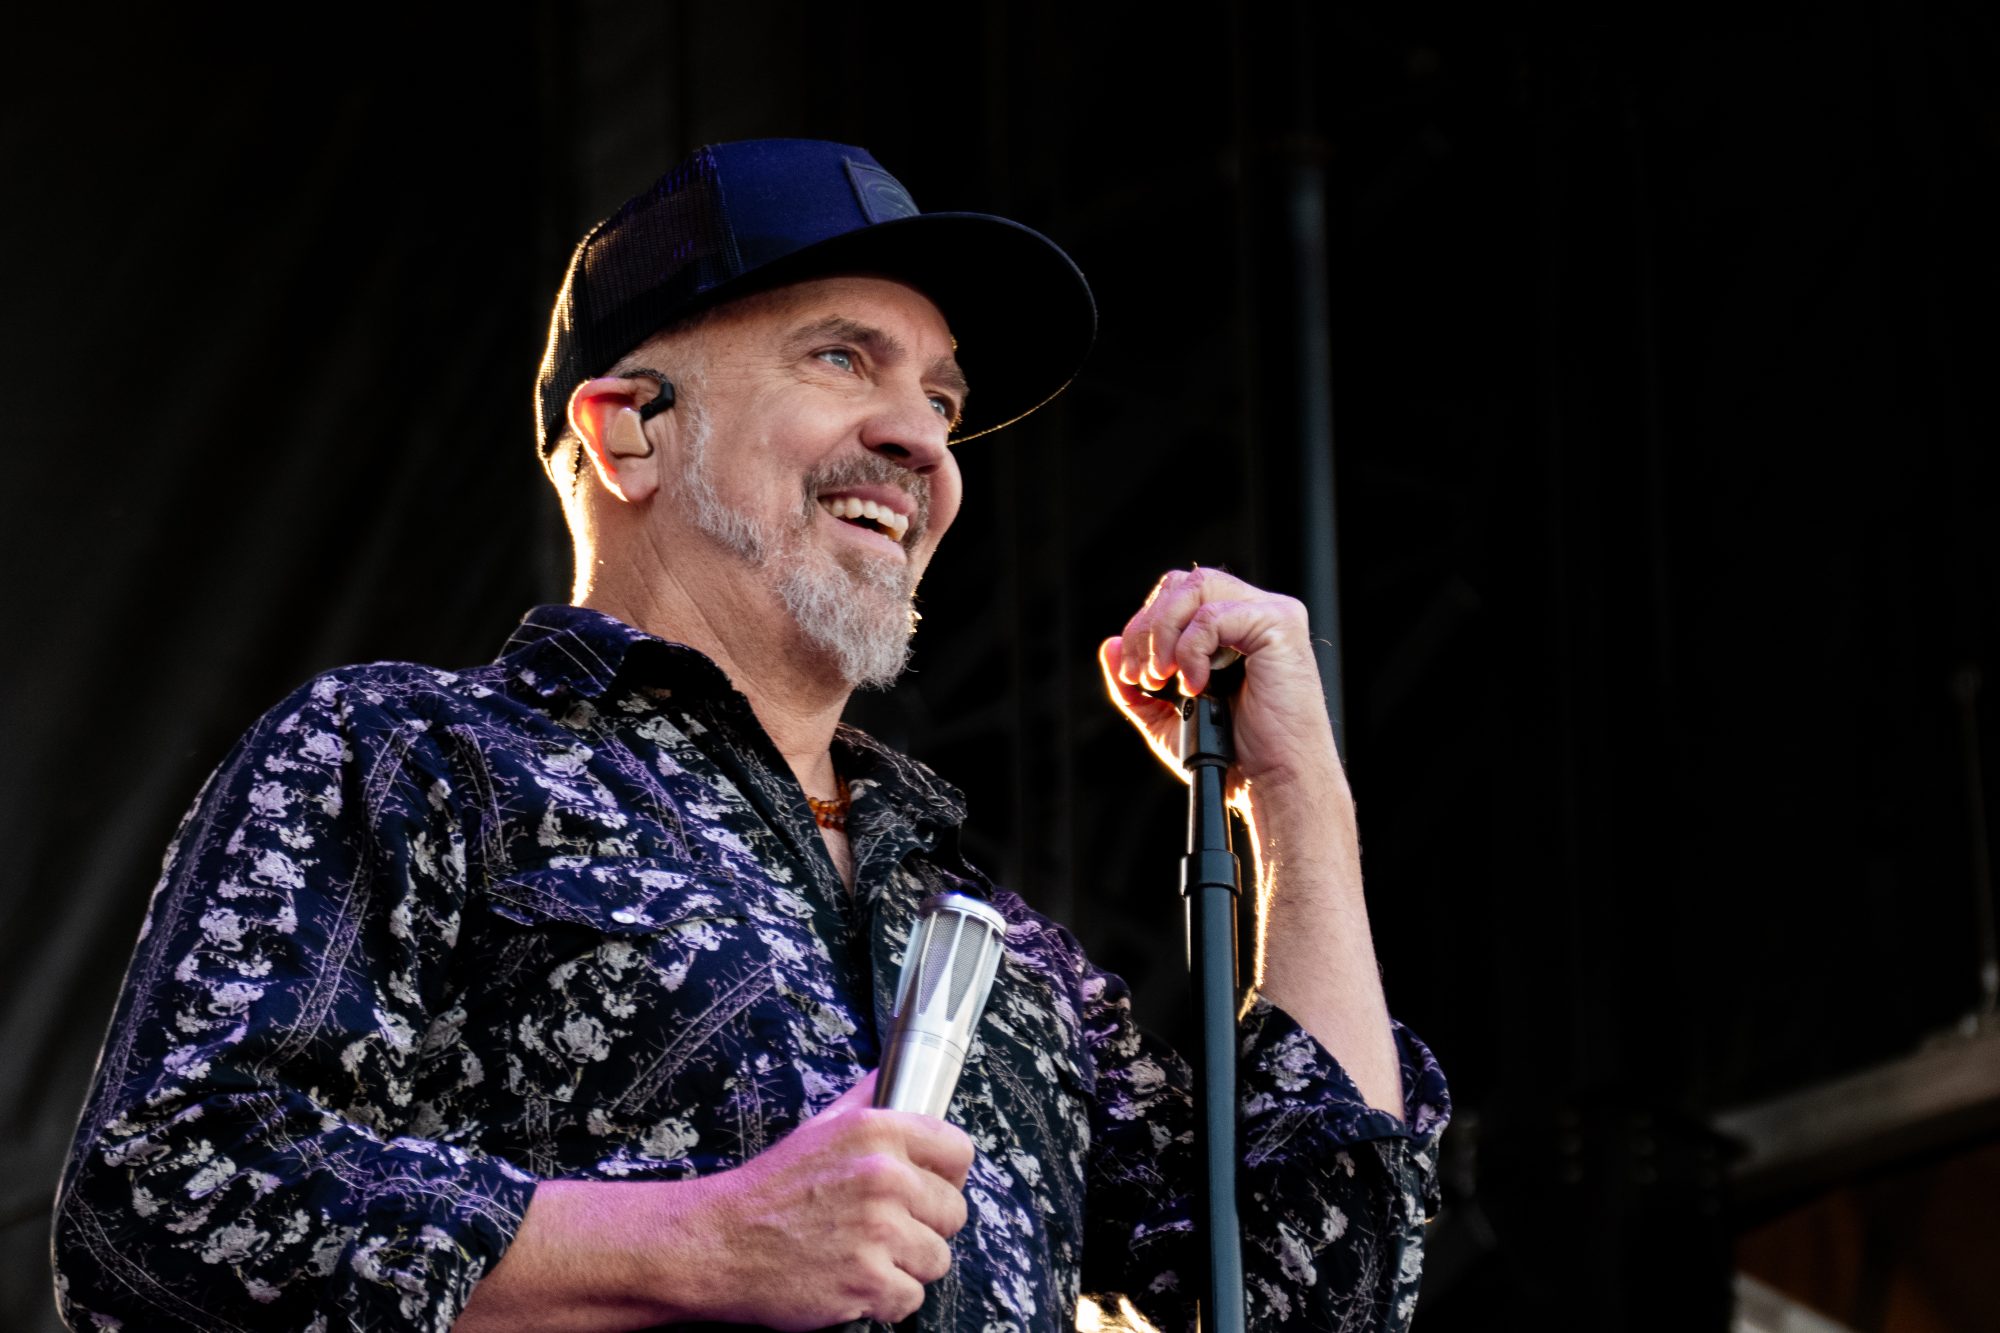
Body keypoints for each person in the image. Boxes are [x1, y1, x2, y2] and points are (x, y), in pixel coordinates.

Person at [53, 138, 1448, 1333]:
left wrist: (1293, 791)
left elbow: (1313, 1289)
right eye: (844, 357)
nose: (923, 441)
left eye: (945, 400)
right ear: (628, 434)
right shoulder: (416, 756)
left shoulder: (1004, 950)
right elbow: (157, 1199)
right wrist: (708, 1241)